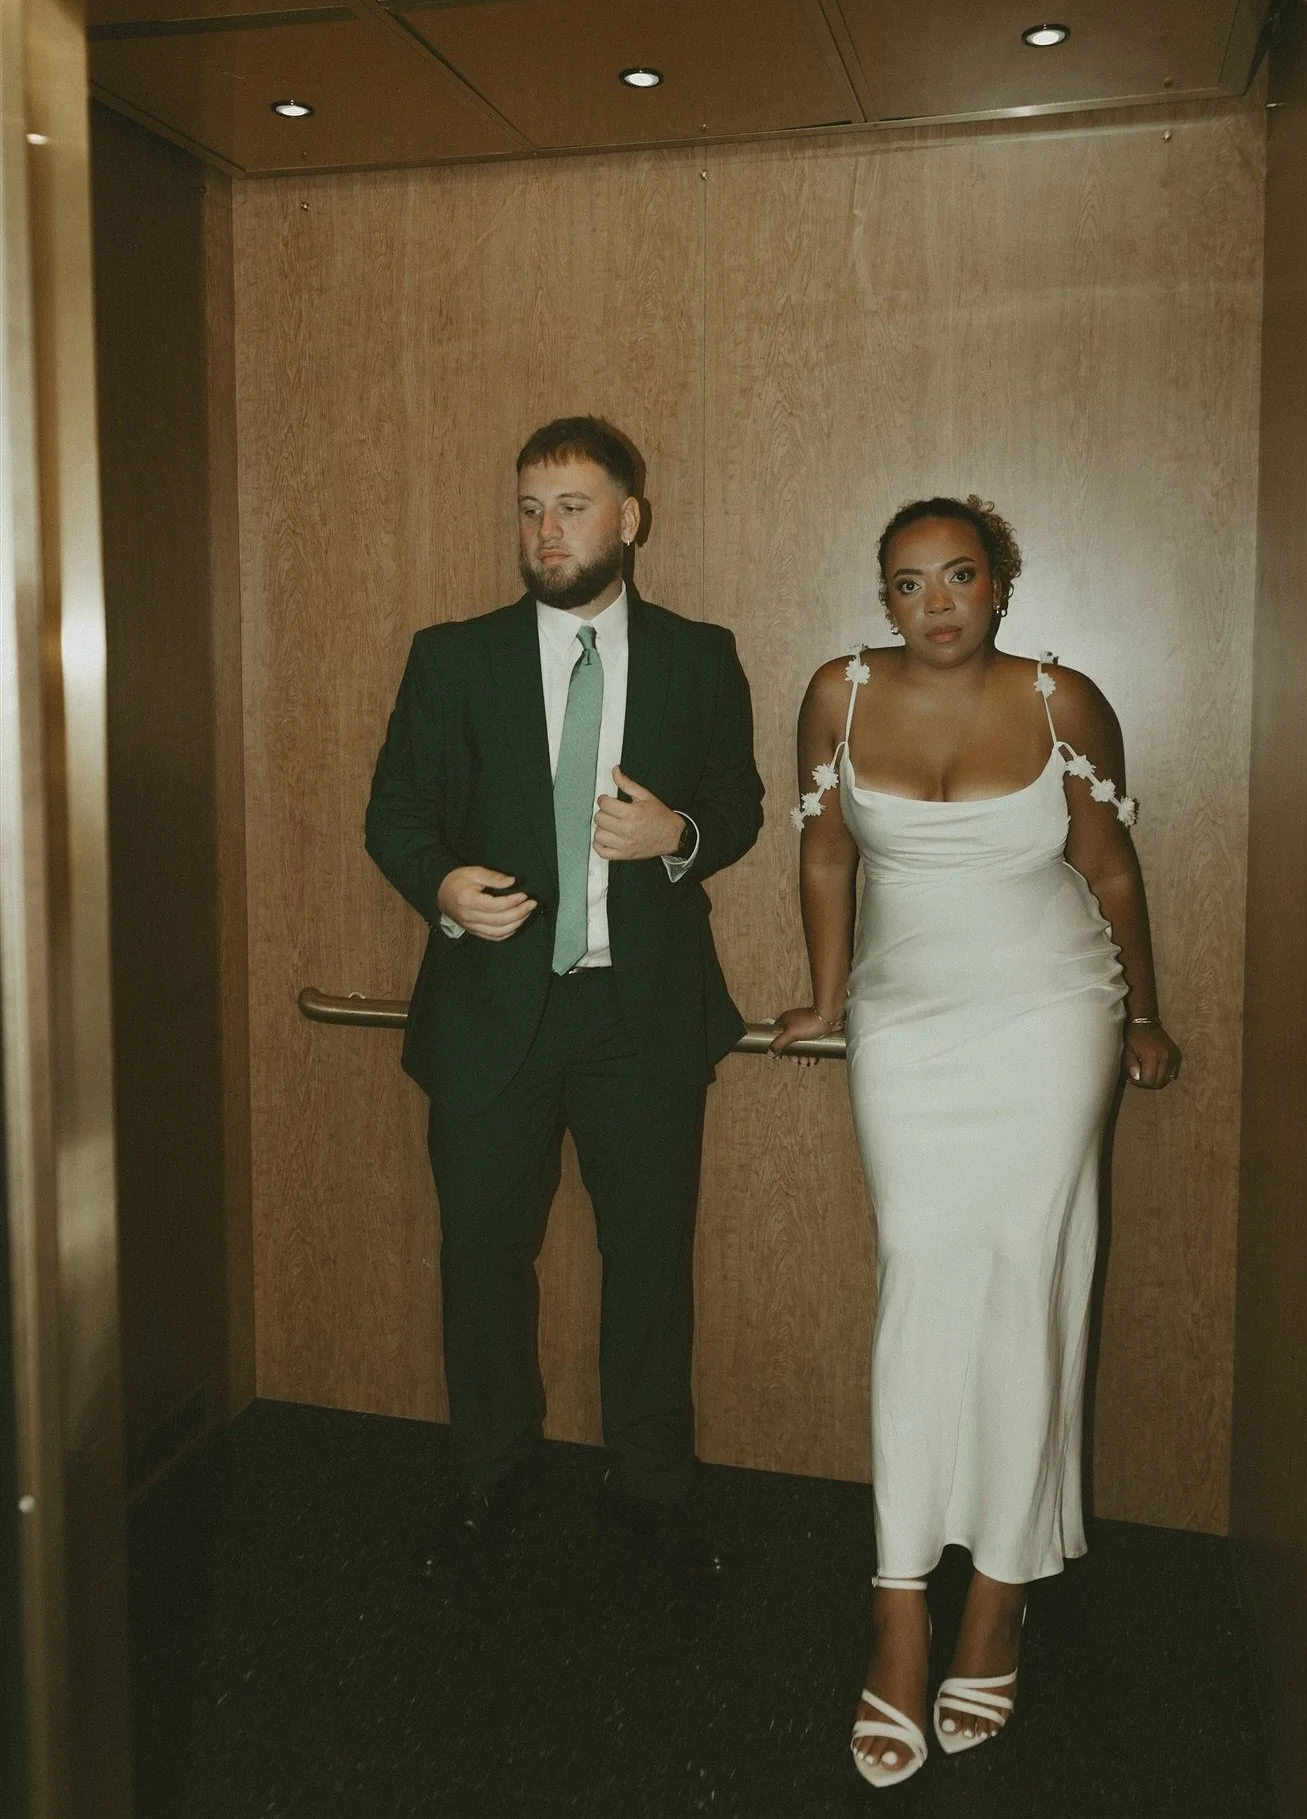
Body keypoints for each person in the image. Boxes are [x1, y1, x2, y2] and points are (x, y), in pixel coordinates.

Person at [771, 495, 1180, 1786]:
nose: (934, 602)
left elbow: (1109, 867)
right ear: (878, 596)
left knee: (1023, 1282)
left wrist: (1146, 1012)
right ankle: (899, 1600)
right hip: (907, 1018)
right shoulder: (834, 693)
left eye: (958, 575)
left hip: (1053, 1011)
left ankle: (996, 1590)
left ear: (1000, 582)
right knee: (919, 1276)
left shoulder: (1065, 699)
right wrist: (828, 996)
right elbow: (827, 855)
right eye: (906, 582)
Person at [365, 417, 763, 1573]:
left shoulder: (701, 654)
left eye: (574, 506)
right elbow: (394, 811)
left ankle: (650, 1480)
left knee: (649, 1255)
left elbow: (733, 805)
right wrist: (441, 884)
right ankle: (491, 1466)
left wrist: (675, 832)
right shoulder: (452, 656)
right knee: (481, 1250)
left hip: (641, 1011)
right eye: (531, 509)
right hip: (494, 1002)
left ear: (629, 518)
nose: (548, 531)